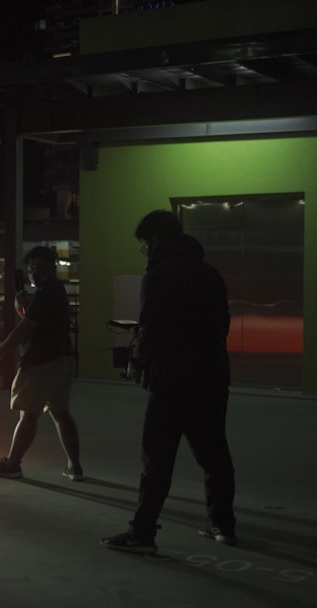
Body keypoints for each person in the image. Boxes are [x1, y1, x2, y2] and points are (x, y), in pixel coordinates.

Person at [102, 210, 236, 554]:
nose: (145, 252)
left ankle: (143, 532)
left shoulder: (159, 276)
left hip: (172, 380)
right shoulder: (210, 274)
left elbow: (150, 329)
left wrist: (136, 363)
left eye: (144, 245)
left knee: (157, 459)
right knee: (214, 453)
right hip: (212, 375)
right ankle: (223, 524)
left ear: (156, 240)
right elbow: (223, 324)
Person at [0, 246, 82, 481]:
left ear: (52, 268)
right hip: (61, 360)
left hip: (40, 362)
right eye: (31, 269)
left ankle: (13, 464)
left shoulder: (46, 294)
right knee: (60, 413)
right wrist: (21, 305)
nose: (34, 274)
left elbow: (25, 329)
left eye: (40, 269)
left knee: (28, 414)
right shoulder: (55, 291)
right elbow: (33, 320)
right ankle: (74, 466)